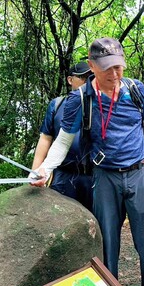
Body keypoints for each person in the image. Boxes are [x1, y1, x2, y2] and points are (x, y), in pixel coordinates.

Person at [31, 37, 144, 286]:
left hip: (141, 172)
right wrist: (45, 168)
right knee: (107, 242)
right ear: (92, 66)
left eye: (118, 67)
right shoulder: (79, 99)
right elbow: (62, 141)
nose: (114, 74)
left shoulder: (136, 89)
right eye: (107, 69)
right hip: (105, 176)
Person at [32, 62, 93, 211]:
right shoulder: (58, 105)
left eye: (91, 78)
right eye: (83, 77)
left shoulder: (99, 105)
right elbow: (46, 138)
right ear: (70, 80)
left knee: (98, 225)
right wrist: (36, 171)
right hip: (63, 174)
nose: (87, 82)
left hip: (94, 176)